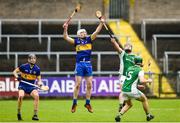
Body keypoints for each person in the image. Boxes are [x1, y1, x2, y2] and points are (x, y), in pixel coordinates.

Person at [63, 19, 103, 113]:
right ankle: (74, 103)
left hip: (88, 64)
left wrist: (101, 22)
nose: (84, 33)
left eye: (85, 32)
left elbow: (97, 31)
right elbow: (65, 37)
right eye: (82, 32)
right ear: (78, 35)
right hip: (79, 64)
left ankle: (87, 103)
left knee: (89, 85)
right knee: (78, 85)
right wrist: (65, 28)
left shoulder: (89, 39)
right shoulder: (76, 41)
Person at [115, 56, 154, 122]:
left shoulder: (129, 68)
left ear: (134, 62)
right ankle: (148, 116)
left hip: (124, 90)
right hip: (131, 90)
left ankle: (119, 116)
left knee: (129, 104)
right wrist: (148, 80)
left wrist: (138, 86)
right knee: (144, 99)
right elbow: (142, 80)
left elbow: (129, 81)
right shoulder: (140, 70)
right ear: (141, 62)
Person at [110, 38, 145, 111]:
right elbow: (118, 48)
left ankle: (122, 106)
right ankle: (121, 105)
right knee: (123, 92)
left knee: (127, 95)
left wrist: (138, 85)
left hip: (131, 78)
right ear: (124, 47)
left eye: (129, 46)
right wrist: (114, 42)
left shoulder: (135, 57)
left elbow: (138, 67)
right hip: (123, 76)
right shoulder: (123, 54)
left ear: (131, 48)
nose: (128, 46)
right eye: (126, 46)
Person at [13, 54, 43, 121]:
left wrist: (40, 84)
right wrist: (17, 77)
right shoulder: (23, 66)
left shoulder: (37, 69)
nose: (33, 60)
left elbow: (39, 80)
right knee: (21, 96)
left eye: (34, 58)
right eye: (31, 58)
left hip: (31, 87)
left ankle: (35, 115)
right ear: (28, 59)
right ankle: (18, 113)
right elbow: (14, 72)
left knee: (36, 96)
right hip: (23, 85)